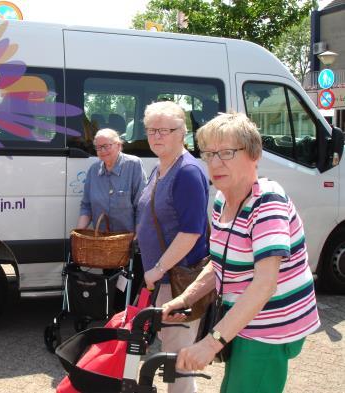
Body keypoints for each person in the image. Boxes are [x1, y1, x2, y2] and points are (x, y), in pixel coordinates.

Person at [162, 112, 320, 393]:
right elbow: (220, 262)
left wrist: (210, 343)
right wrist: (186, 297)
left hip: (269, 327)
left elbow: (265, 284)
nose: (214, 162)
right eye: (209, 153)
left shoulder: (267, 202)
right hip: (244, 319)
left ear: (254, 154)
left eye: (226, 152)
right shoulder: (224, 198)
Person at [136, 101, 209, 393]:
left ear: (182, 132)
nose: (157, 136)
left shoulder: (188, 172)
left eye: (165, 130)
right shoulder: (159, 167)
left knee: (178, 361)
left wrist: (157, 269)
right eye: (152, 130)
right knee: (169, 351)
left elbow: (191, 233)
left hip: (178, 280)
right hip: (162, 280)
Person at [77, 128, 147, 299]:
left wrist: (137, 236)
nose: (102, 151)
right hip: (106, 243)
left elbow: (142, 204)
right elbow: (86, 206)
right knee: (112, 287)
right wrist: (78, 233)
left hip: (129, 243)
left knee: (130, 290)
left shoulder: (133, 165)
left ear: (118, 145)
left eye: (106, 146)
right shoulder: (94, 170)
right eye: (98, 148)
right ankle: (114, 320)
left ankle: (129, 321)